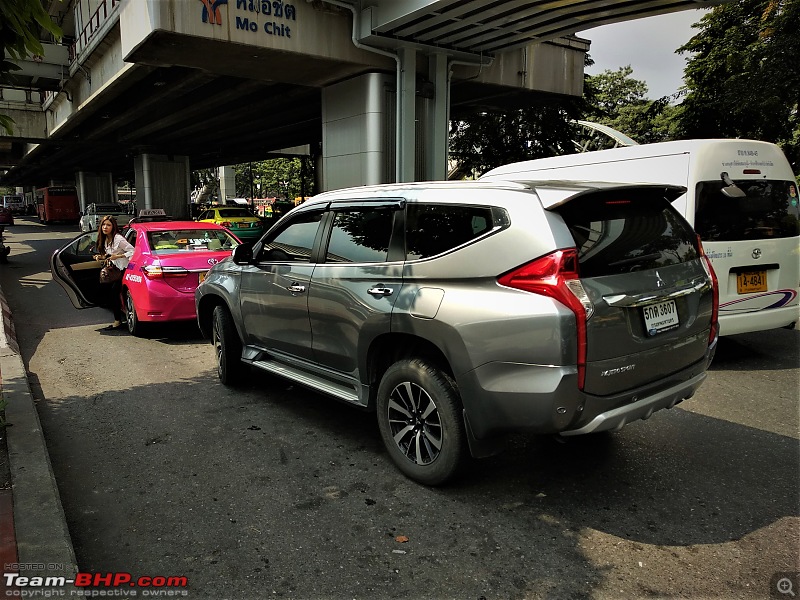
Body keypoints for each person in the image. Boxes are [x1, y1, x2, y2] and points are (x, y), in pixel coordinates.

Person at [94, 215, 134, 330]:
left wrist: (119, 256)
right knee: (109, 292)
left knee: (114, 293)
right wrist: (101, 257)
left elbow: (133, 250)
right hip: (114, 269)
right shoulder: (105, 239)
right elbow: (110, 254)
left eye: (108, 225)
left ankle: (118, 320)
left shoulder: (118, 239)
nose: (105, 227)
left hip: (124, 269)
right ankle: (120, 316)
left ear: (113, 226)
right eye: (104, 225)